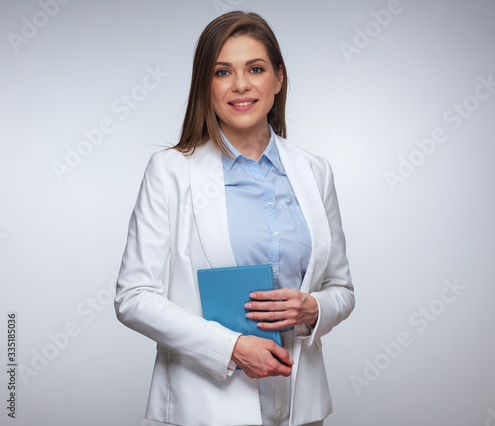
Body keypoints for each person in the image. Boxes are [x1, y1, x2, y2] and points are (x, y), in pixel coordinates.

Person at [115, 10, 354, 426]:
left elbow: (341, 287)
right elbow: (133, 297)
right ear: (205, 86)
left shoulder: (315, 172)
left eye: (255, 69)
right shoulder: (170, 171)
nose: (240, 84)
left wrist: (312, 307)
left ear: (278, 79)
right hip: (205, 403)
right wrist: (231, 347)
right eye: (223, 71)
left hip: (300, 404)